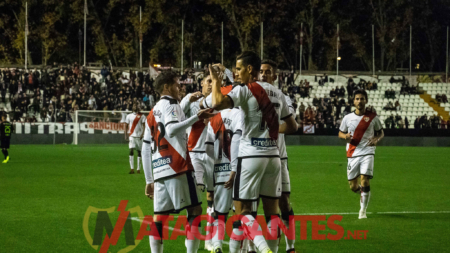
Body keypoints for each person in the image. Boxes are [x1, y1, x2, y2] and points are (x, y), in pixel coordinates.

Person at [209, 51, 298, 253]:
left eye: (239, 69)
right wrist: (271, 131)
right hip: (274, 157)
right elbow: (292, 126)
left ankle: (263, 248)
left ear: (250, 69)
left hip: (250, 156)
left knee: (244, 211)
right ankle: (273, 250)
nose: (237, 73)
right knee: (271, 214)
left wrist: (216, 81)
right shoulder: (278, 93)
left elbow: (217, 102)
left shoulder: (246, 90)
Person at [142, 71, 214, 253]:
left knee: (159, 218)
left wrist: (149, 180)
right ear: (166, 87)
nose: (180, 87)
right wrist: (197, 117)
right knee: (196, 211)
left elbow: (145, 148)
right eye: (176, 84)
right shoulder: (172, 104)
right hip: (177, 166)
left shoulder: (152, 112)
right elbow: (172, 129)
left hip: (159, 169)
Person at [260, 59, 298, 253]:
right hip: (256, 155)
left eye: (268, 72)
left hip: (278, 157)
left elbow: (291, 124)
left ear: (275, 76)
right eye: (261, 71)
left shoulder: (282, 97)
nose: (264, 74)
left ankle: (290, 247)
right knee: (258, 204)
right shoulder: (252, 94)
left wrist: (274, 130)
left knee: (283, 202)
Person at [179, 76, 214, 251]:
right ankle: (191, 240)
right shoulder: (195, 103)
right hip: (194, 154)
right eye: (208, 81)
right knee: (194, 200)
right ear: (201, 84)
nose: (211, 84)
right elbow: (178, 114)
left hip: (214, 155)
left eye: (213, 81)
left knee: (212, 198)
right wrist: (187, 99)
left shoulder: (221, 102)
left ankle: (209, 238)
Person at [338, 89, 384, 219]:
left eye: (362, 99)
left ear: (366, 101)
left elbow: (381, 132)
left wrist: (377, 139)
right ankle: (365, 193)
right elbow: (340, 133)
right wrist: (345, 136)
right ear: (353, 101)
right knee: (353, 186)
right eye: (357, 99)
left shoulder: (373, 117)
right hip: (352, 152)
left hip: (368, 152)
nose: (359, 101)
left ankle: (362, 211)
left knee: (365, 179)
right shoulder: (347, 118)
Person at [204, 107, 242, 253]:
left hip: (219, 171)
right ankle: (237, 250)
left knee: (220, 214)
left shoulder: (214, 118)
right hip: (237, 170)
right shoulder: (239, 114)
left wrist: (217, 161)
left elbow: (207, 148)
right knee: (239, 214)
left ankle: (217, 246)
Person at [124, 104, 146, 174]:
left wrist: (143, 134)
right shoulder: (129, 116)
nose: (135, 106)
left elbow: (144, 126)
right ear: (132, 107)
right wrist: (125, 134)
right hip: (132, 136)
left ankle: (138, 169)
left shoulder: (142, 116)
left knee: (139, 152)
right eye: (134, 105)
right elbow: (126, 125)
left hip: (139, 136)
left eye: (136, 105)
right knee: (131, 150)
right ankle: (132, 168)